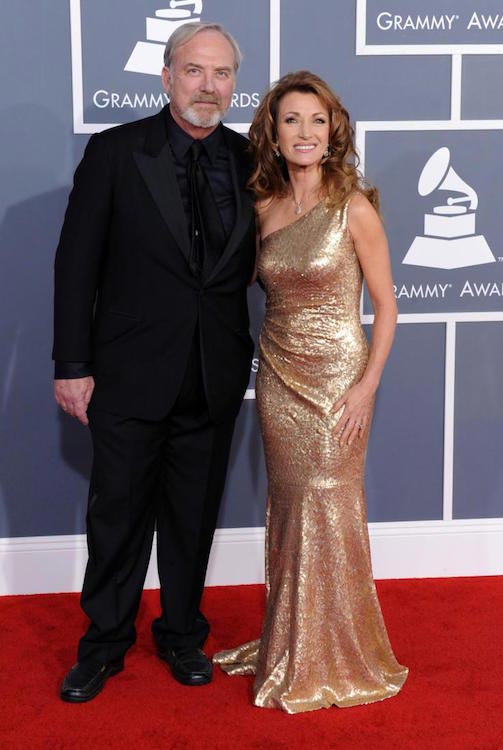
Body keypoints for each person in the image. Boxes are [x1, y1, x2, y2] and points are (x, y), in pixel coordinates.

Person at [53, 23, 255, 702]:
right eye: (194, 71)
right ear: (166, 77)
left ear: (234, 84)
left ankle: (180, 634)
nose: (207, 86)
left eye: (221, 73)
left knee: (193, 517)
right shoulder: (115, 153)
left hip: (214, 372)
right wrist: (70, 363)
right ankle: (103, 644)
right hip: (127, 373)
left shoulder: (250, 159)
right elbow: (76, 264)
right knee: (118, 515)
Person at [214, 71, 408, 713]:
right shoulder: (261, 206)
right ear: (273, 132)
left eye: (317, 121)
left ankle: (336, 653)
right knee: (292, 505)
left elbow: (386, 305)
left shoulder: (353, 206)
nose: (305, 132)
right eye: (291, 120)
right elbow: (226, 286)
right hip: (278, 378)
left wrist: (367, 388)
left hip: (340, 380)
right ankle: (291, 642)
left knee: (331, 501)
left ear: (333, 132)